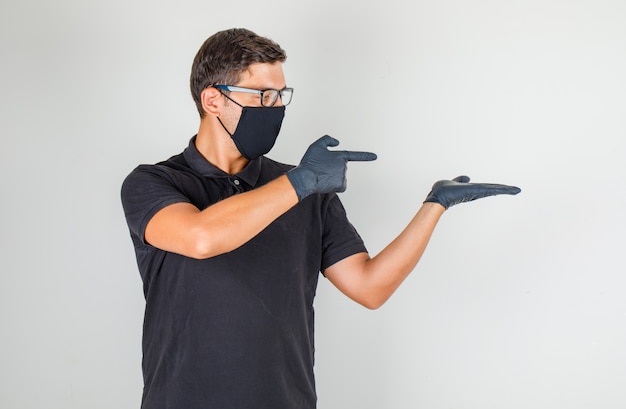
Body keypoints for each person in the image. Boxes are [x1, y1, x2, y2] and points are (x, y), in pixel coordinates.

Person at [121, 27, 520, 409]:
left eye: (281, 96)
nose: (275, 108)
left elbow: (370, 287)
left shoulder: (308, 193)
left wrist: (433, 206)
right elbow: (202, 238)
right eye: (262, 96)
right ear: (212, 101)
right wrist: (301, 180)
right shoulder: (154, 183)